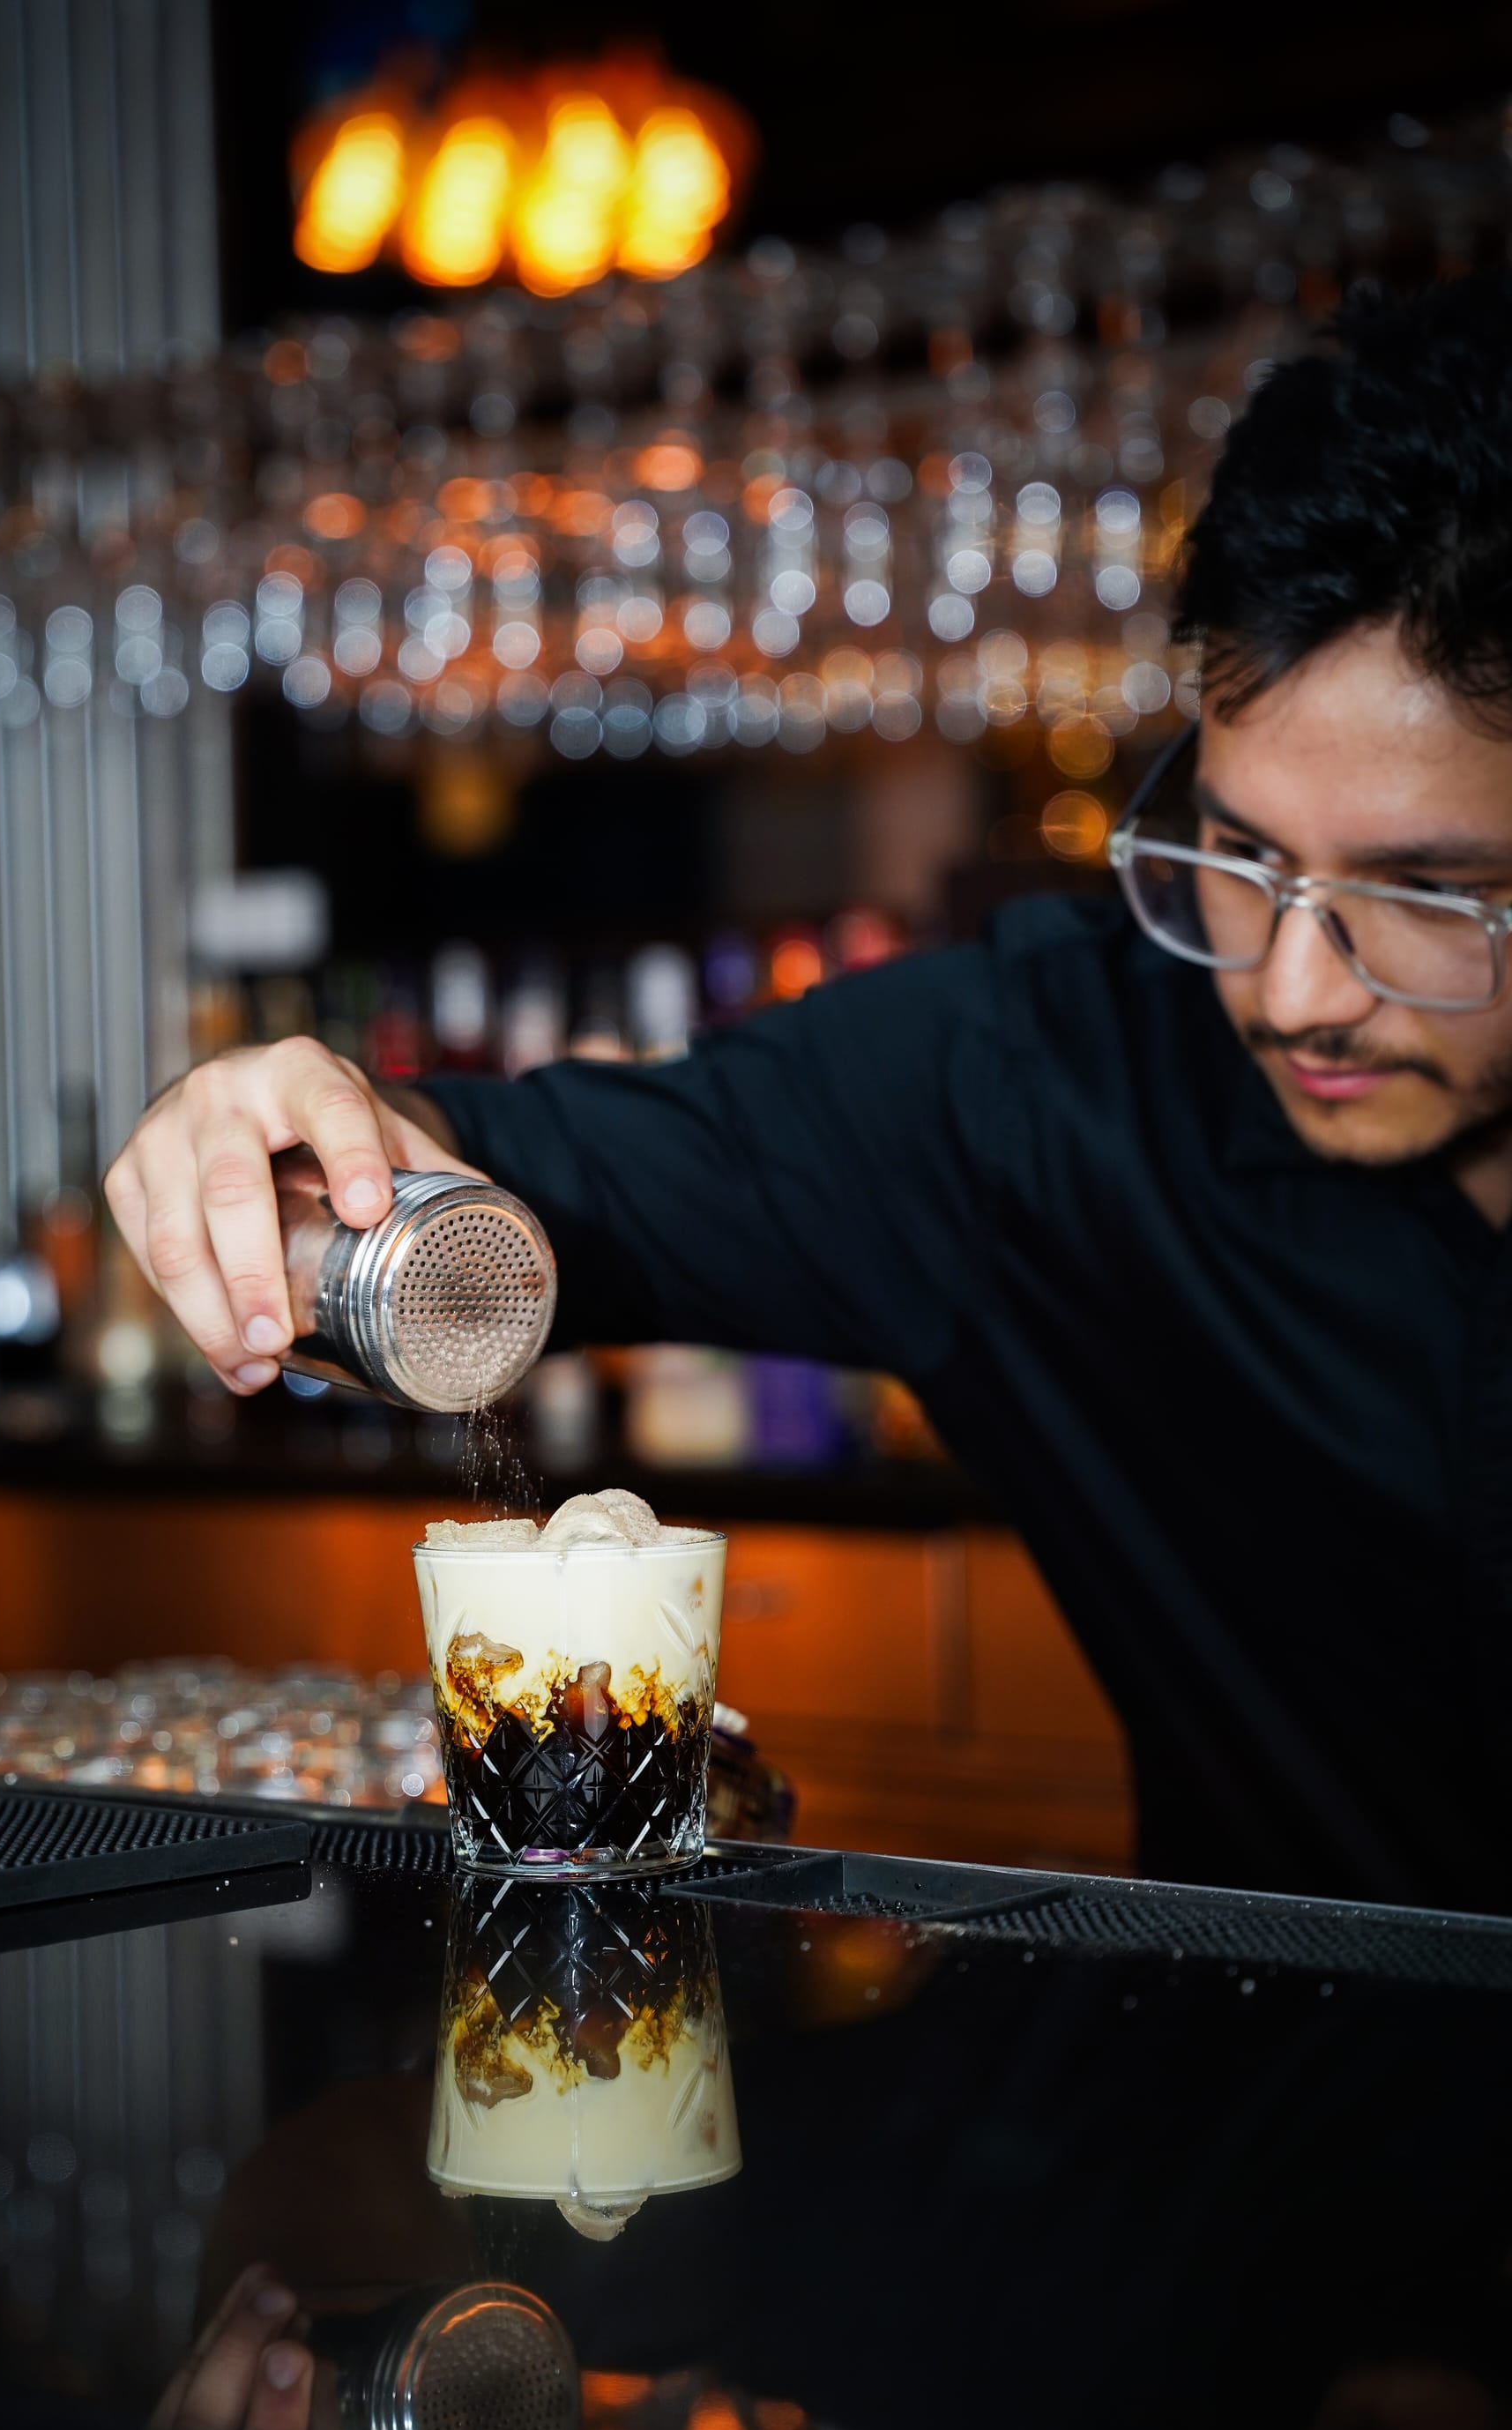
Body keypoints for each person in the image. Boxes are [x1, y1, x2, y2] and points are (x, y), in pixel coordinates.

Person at [106, 273, 1512, 1914]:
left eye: (1426, 894)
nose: (1290, 988)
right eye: (1239, 855)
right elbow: (552, 1176)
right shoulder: (1033, 1081)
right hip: (1281, 2138)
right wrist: (288, 1142)